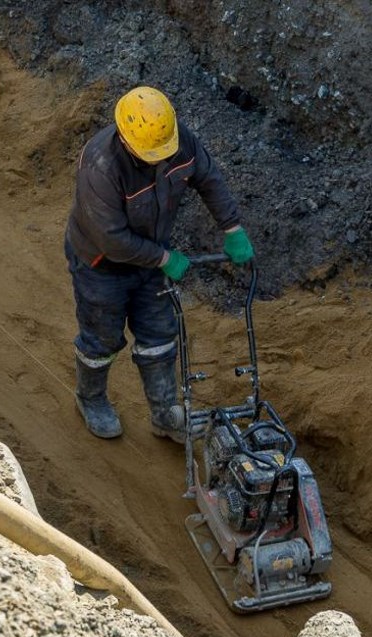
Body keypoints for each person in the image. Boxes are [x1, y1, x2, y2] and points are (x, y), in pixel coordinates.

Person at [63, 86, 254, 442]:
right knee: (102, 338)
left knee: (160, 334)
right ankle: (90, 398)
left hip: (151, 255)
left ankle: (165, 414)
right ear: (126, 139)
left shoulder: (177, 141)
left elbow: (208, 178)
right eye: (151, 155)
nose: (159, 160)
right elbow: (112, 238)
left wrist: (233, 228)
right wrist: (165, 258)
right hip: (100, 264)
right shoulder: (101, 166)